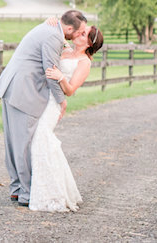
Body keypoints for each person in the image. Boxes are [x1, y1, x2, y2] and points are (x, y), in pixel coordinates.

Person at [0, 10, 88, 207]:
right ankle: (26, 193)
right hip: (24, 90)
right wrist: (61, 101)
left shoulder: (50, 28)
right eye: (79, 32)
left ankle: (16, 188)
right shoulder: (54, 35)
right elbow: (50, 71)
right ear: (69, 28)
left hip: (12, 85)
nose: (79, 35)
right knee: (24, 143)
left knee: (13, 141)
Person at [29, 25, 104, 212]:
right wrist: (52, 21)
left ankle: (53, 192)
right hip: (42, 98)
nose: (79, 33)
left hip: (54, 104)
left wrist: (60, 76)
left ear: (88, 43)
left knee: (41, 138)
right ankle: (43, 186)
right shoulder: (66, 50)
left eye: (84, 34)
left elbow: (70, 90)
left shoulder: (84, 62)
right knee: (38, 141)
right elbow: (59, 29)